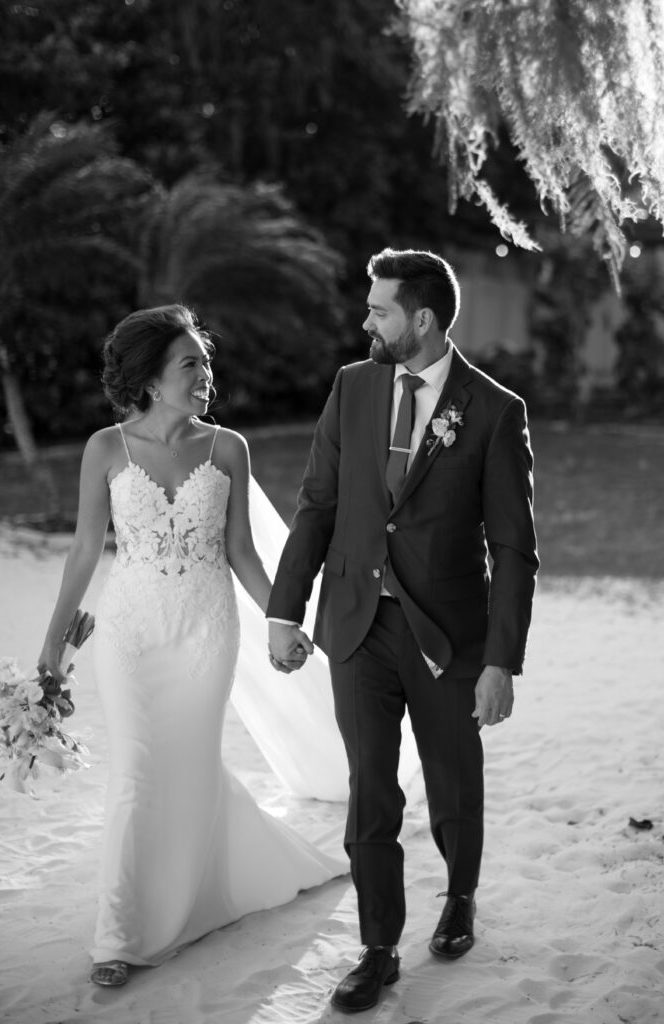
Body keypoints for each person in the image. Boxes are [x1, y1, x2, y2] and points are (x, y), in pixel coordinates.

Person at [38, 304, 345, 987]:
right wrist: (53, 643)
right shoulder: (105, 448)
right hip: (130, 633)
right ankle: (117, 936)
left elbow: (240, 551)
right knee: (137, 773)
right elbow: (87, 550)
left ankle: (198, 889)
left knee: (190, 763)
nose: (206, 373)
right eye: (190, 363)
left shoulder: (226, 447)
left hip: (206, 630)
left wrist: (283, 620)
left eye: (206, 361)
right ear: (150, 379)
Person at [267, 248, 539, 1012]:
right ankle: (377, 946)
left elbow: (513, 548)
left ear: (419, 319)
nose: (366, 321)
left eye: (378, 309)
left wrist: (500, 662)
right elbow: (317, 502)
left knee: (453, 781)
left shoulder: (492, 410)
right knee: (369, 791)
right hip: (356, 624)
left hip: (449, 635)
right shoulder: (352, 388)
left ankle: (458, 896)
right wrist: (286, 610)